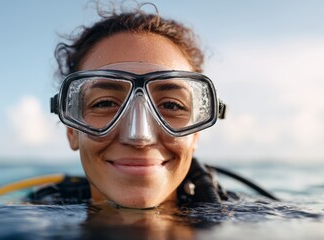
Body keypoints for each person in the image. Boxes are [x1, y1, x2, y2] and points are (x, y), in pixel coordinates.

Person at [26, 2, 276, 209]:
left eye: (172, 105)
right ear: (72, 130)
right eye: (104, 103)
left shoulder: (261, 222)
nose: (139, 137)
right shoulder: (30, 217)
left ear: (195, 133)